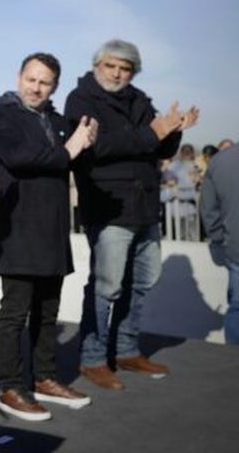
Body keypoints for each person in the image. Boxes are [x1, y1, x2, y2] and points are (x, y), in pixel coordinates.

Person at [65, 38, 199, 390]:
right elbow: (97, 148)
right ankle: (93, 358)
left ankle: (125, 349)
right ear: (98, 65)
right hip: (109, 209)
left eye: (125, 68)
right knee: (106, 287)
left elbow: (158, 144)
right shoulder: (81, 100)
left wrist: (174, 128)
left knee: (143, 282)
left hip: (145, 208)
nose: (117, 73)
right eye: (111, 65)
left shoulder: (139, 99)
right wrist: (150, 133)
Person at [0, 53, 98, 421]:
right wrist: (69, 149)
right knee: (15, 312)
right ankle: (10, 387)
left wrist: (86, 143)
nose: (36, 87)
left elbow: (76, 161)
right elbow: (21, 158)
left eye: (44, 82)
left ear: (54, 87)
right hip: (17, 226)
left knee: (48, 311)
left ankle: (45, 378)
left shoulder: (60, 122)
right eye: (31, 79)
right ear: (19, 77)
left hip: (53, 228)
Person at [200, 144, 239, 344]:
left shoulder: (220, 161)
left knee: (238, 307)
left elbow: (208, 208)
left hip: (235, 246)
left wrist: (219, 238)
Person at [163, 144, 200, 240]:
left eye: (189, 152)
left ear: (192, 153)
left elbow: (196, 186)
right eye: (185, 152)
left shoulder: (195, 166)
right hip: (175, 210)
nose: (187, 154)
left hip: (190, 209)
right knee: (178, 238)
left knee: (193, 238)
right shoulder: (173, 166)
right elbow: (169, 184)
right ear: (181, 153)